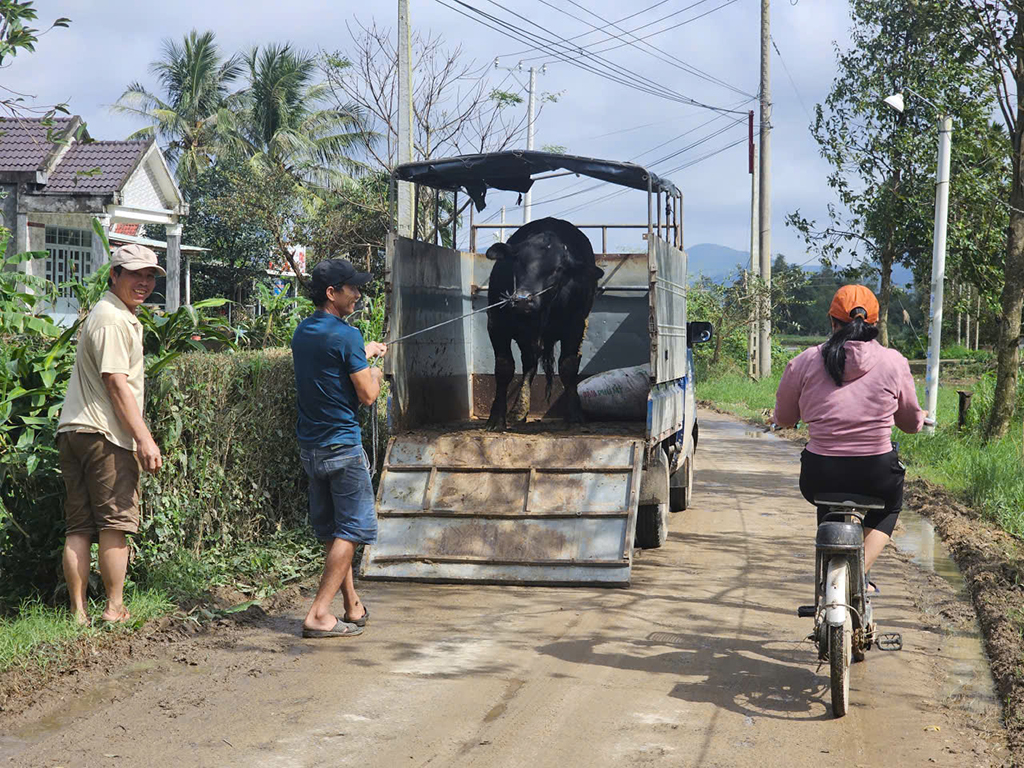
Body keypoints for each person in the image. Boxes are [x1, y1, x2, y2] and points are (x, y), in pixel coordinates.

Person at [774, 284, 927, 582]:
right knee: (890, 507)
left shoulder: (805, 360)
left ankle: (830, 581)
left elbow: (784, 417)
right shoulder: (893, 361)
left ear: (832, 321)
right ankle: (858, 575)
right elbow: (910, 424)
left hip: (820, 474)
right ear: (873, 324)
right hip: (876, 474)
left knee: (826, 500)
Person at [57, 244, 165, 625]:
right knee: (114, 525)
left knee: (80, 526)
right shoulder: (113, 319)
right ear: (113, 275)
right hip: (105, 436)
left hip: (74, 430)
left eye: (150, 275)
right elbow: (117, 384)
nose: (145, 282)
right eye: (135, 274)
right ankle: (114, 607)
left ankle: (78, 613)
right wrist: (144, 438)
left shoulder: (107, 314)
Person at [291, 258, 387, 638]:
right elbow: (366, 395)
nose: (358, 295)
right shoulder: (347, 336)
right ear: (332, 293)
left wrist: (362, 353)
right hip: (342, 447)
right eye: (352, 288)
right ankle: (317, 613)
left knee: (336, 531)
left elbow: (329, 366)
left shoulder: (303, 332)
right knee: (353, 529)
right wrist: (374, 370)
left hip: (312, 448)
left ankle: (351, 606)